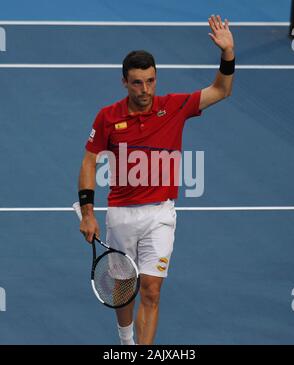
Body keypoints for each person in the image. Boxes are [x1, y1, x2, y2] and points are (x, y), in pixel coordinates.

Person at [77, 15, 235, 345]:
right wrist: (89, 212)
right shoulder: (108, 116)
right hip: (121, 214)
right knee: (123, 286)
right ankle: (125, 341)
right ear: (124, 82)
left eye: (150, 81)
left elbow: (221, 90)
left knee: (151, 289)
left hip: (161, 214)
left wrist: (228, 53)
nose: (145, 89)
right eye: (137, 82)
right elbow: (90, 161)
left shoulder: (174, 106)